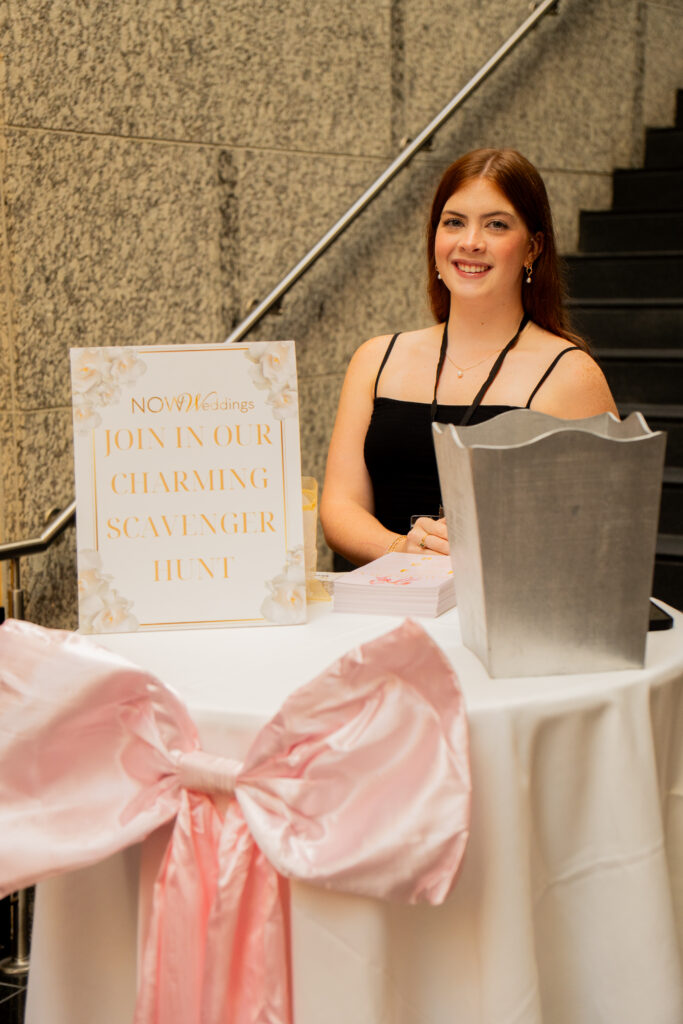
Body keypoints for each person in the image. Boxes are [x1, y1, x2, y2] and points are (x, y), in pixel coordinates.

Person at [320, 148, 618, 566]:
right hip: (379, 614)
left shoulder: (571, 376)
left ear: (533, 248)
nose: (471, 242)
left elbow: (600, 534)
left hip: (503, 620)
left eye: (496, 225)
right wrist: (402, 550)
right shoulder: (375, 359)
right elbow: (339, 509)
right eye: (454, 222)